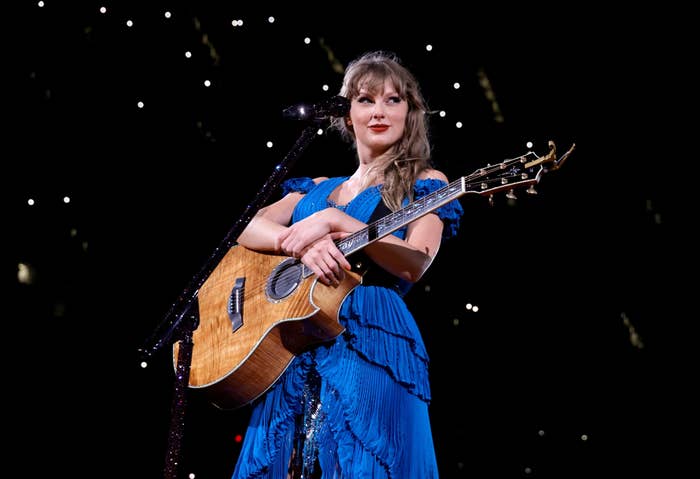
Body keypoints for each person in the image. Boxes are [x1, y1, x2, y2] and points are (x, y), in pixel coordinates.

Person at [231, 50, 464, 479]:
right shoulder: (316, 187)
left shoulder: (427, 182)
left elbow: (416, 264)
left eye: (393, 100)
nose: (379, 111)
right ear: (346, 114)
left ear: (410, 113)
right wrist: (297, 244)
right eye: (365, 99)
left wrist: (337, 221)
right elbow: (245, 229)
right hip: (291, 340)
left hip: (370, 333)